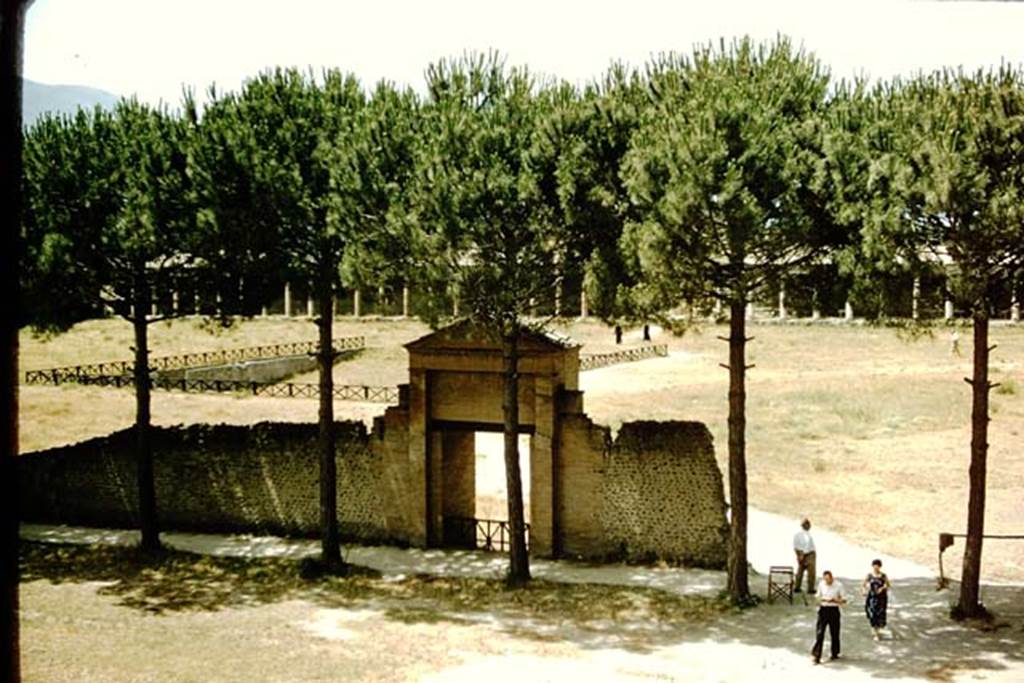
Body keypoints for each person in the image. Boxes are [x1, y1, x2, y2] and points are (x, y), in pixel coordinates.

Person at [811, 570, 847, 664]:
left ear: (832, 578)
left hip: (834, 609)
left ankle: (835, 652)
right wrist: (820, 599)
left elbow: (844, 599)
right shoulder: (821, 584)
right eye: (825, 580)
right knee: (820, 633)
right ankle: (816, 656)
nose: (827, 582)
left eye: (829, 580)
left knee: (834, 633)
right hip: (823, 609)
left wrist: (836, 600)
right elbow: (818, 596)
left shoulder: (839, 585)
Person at [862, 559, 891, 640]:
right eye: (874, 566)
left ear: (880, 567)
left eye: (877, 566)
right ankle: (875, 633)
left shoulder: (883, 576)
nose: (876, 568)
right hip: (872, 597)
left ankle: (877, 629)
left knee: (880, 614)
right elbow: (863, 584)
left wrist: (882, 588)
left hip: (881, 598)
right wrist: (864, 591)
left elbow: (888, 585)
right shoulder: (869, 576)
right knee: (873, 613)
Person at [794, 518, 816, 594]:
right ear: (806, 525)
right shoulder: (807, 535)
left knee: (800, 571)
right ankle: (810, 589)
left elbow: (795, 546)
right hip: (809, 554)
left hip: (800, 553)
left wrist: (798, 555)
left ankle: (797, 587)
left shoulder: (797, 534)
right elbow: (806, 546)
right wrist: (803, 555)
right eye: (809, 525)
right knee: (811, 573)